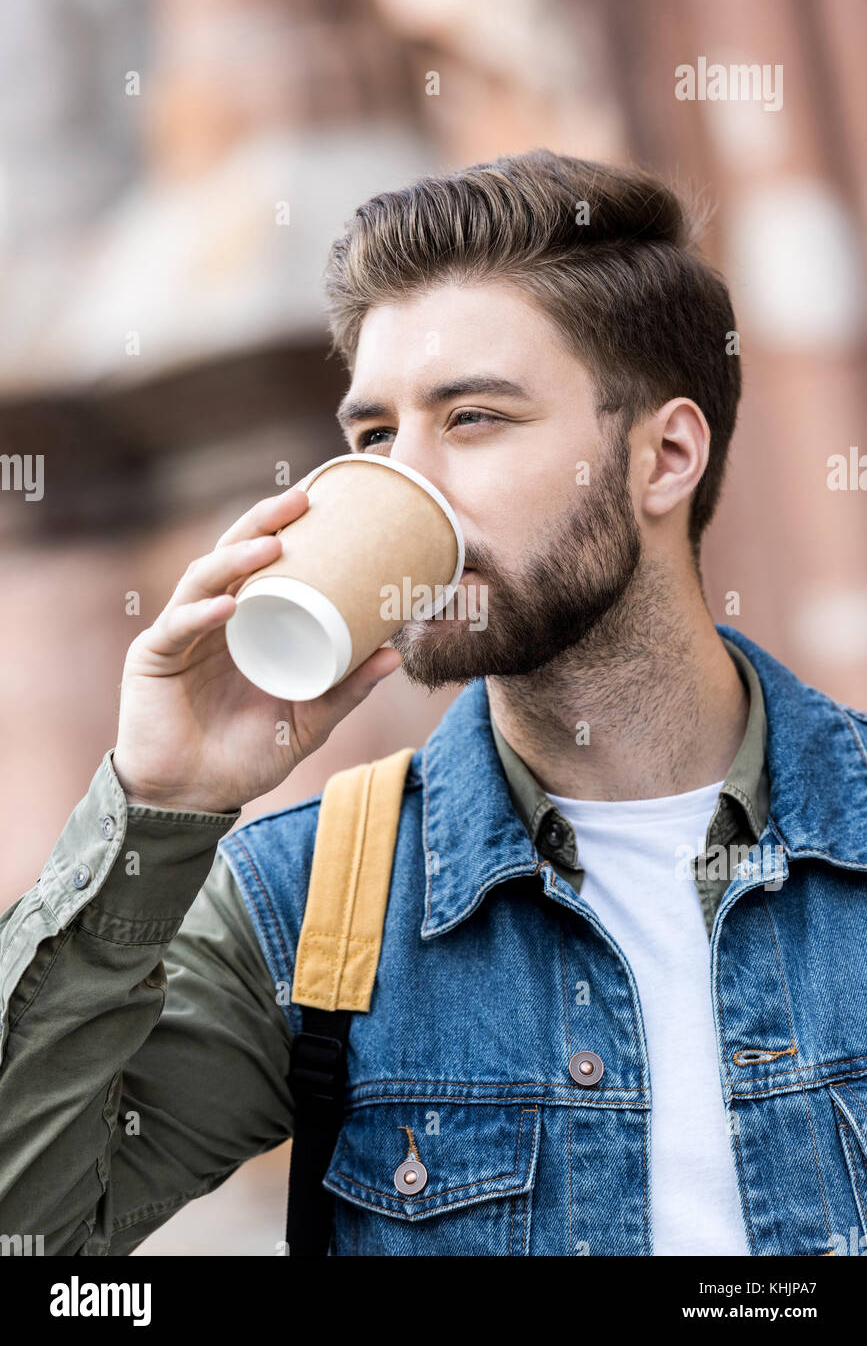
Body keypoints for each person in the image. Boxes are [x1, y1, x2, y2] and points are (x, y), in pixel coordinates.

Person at [2, 151, 865, 1257]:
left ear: (665, 456)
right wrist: (153, 805)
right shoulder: (311, 899)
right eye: (373, 437)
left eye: (471, 419)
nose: (407, 483)